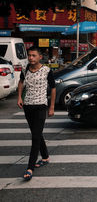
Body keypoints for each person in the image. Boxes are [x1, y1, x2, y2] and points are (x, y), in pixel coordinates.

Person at [17, 46, 56, 181]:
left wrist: (51, 107)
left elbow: (53, 88)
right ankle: (45, 157)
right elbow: (21, 82)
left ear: (40, 57)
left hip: (40, 106)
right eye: (29, 55)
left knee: (35, 137)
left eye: (34, 55)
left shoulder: (47, 71)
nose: (31, 58)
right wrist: (20, 97)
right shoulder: (25, 69)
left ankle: (30, 168)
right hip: (28, 106)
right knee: (37, 133)